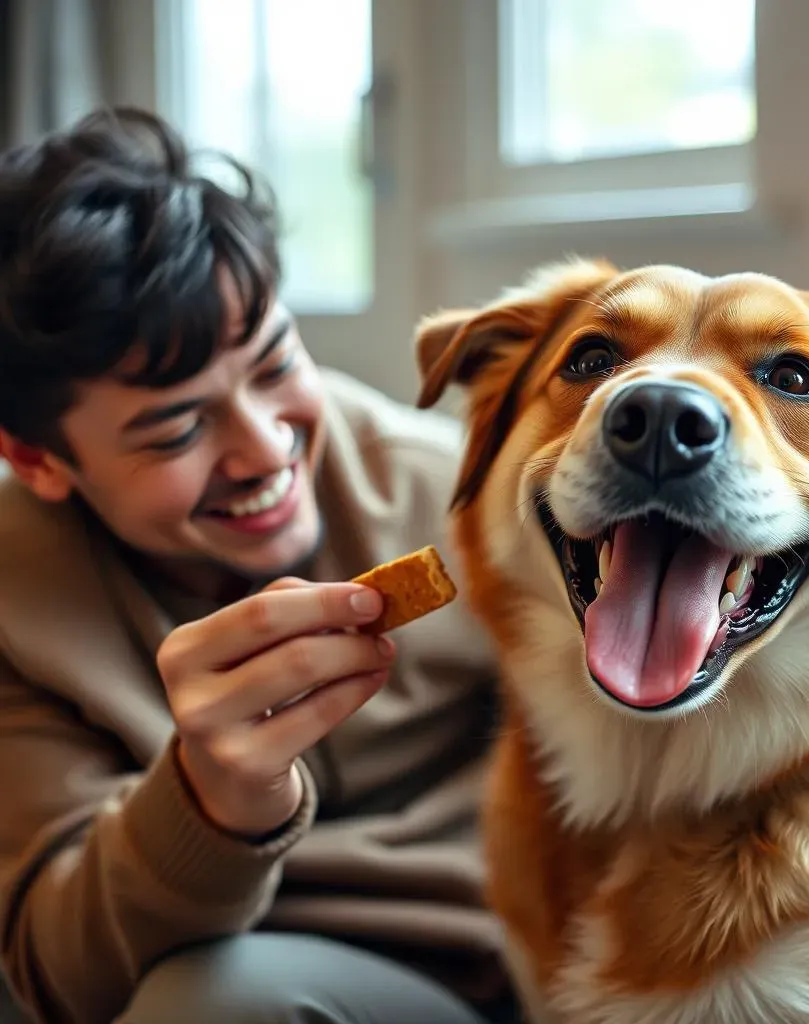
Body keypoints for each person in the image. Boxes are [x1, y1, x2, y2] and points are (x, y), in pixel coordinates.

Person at [0, 107, 513, 1024]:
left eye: (276, 363)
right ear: (38, 460)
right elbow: (59, 973)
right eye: (178, 429)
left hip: (523, 949)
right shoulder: (16, 604)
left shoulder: (471, 496)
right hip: (262, 976)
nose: (266, 447)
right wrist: (213, 800)